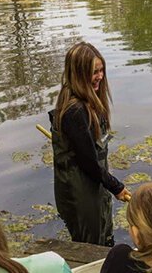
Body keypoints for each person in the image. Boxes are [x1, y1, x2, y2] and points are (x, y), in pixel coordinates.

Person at [50, 41, 131, 246]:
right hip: (81, 191)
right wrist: (117, 187)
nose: (100, 76)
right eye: (94, 72)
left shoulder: (87, 102)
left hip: (94, 185)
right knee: (90, 247)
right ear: (78, 74)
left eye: (101, 70)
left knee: (104, 239)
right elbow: (88, 163)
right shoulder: (75, 111)